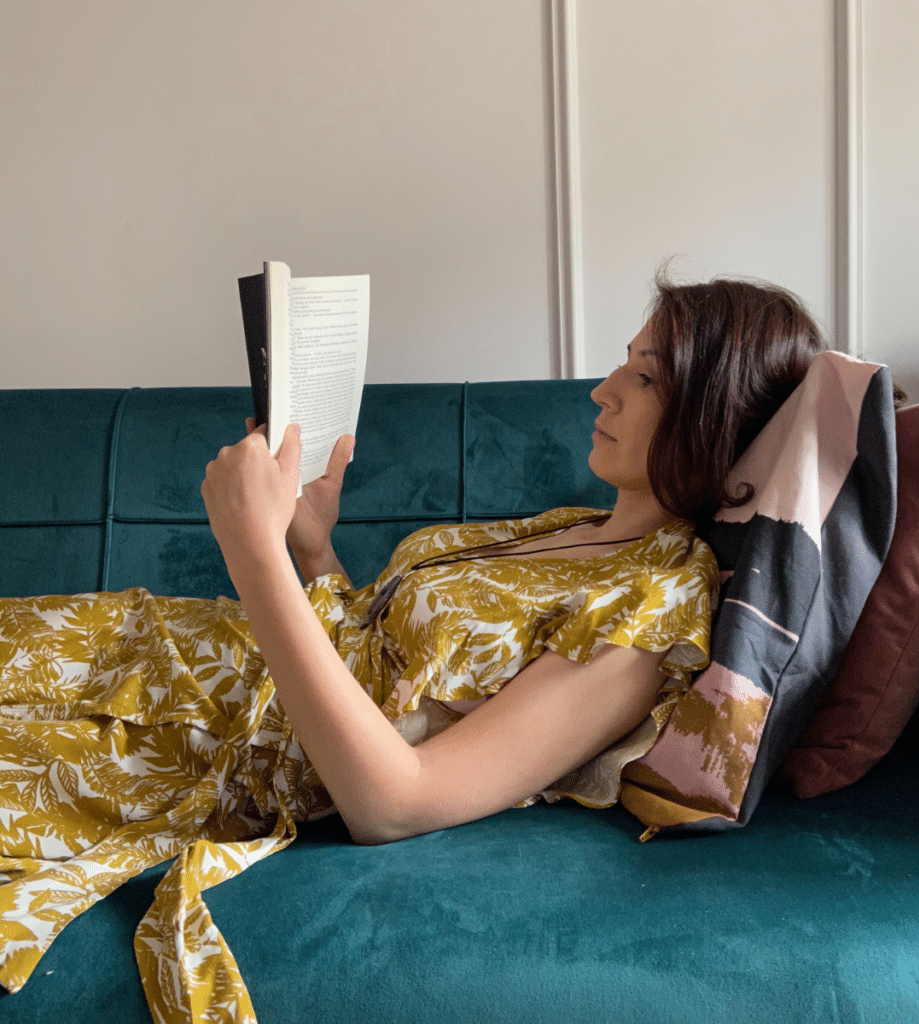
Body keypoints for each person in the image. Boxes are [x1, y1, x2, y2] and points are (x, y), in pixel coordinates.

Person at [0, 273, 825, 1019]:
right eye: (624, 364)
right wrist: (310, 546)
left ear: (717, 416)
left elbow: (394, 802)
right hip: (151, 648)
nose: (602, 392)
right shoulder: (569, 529)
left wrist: (252, 554)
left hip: (186, 739)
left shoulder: (654, 604)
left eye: (645, 378)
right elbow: (391, 670)